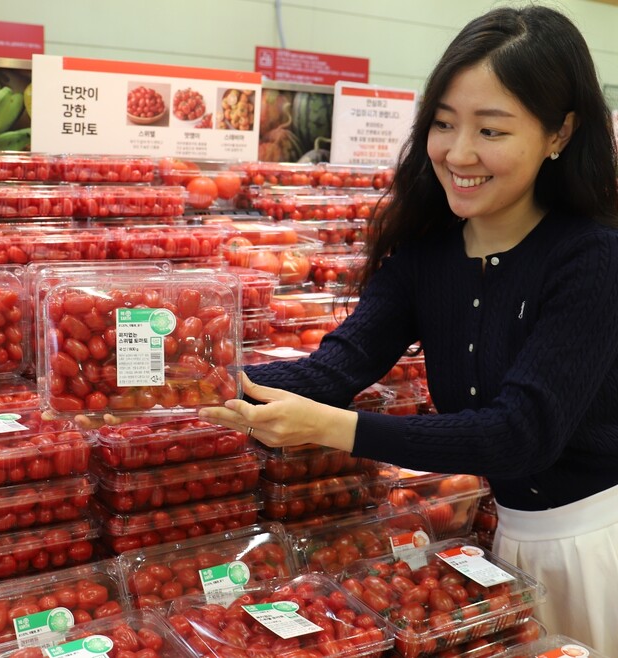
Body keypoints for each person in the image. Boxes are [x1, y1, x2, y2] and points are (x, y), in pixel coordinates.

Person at [198, 5, 618, 652]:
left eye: (492, 130)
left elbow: (520, 433)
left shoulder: (592, 260)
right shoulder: (425, 257)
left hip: (599, 551)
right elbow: (335, 369)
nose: (460, 152)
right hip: (507, 549)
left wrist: (335, 428)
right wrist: (191, 389)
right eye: (444, 124)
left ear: (560, 132)